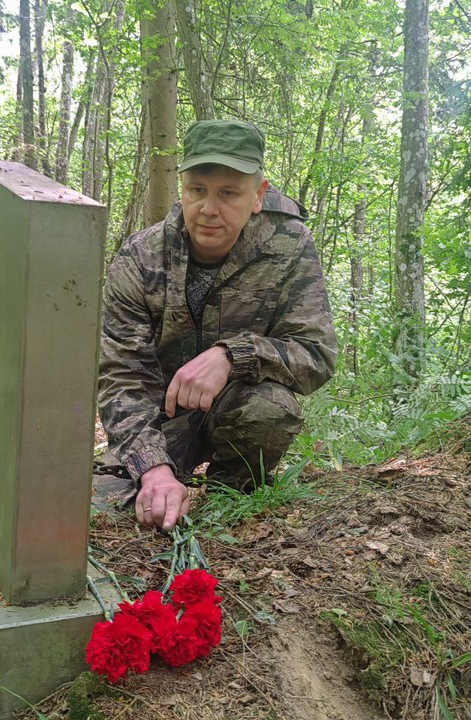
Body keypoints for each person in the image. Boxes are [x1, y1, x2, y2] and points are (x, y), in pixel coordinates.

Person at [98, 119, 338, 531]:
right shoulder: (140, 257)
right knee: (109, 512)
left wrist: (233, 355)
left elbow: (316, 353)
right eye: (197, 191)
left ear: (258, 195)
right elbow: (122, 376)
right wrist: (153, 469)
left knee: (271, 411)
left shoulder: (290, 245)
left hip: (238, 408)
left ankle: (230, 496)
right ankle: (168, 477)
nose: (209, 209)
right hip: (159, 420)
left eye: (228, 193)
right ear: (182, 189)